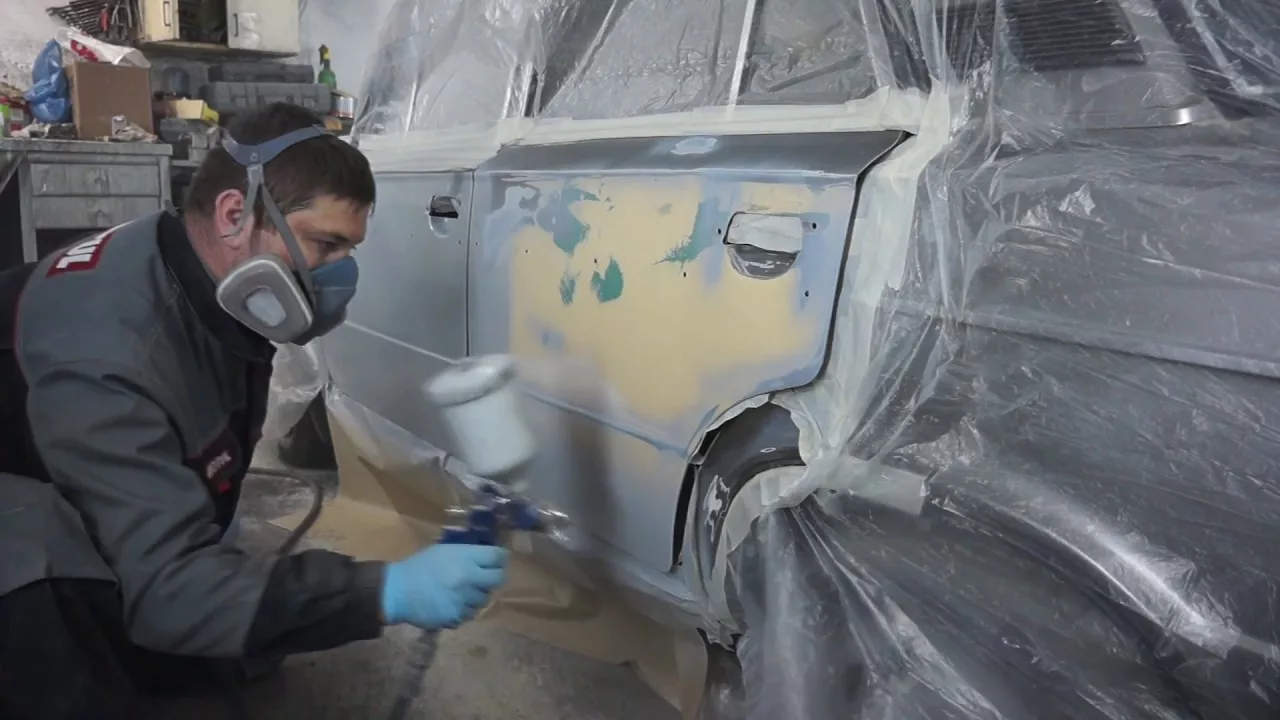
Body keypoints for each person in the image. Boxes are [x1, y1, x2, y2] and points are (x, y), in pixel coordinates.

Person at [0, 103, 509, 719]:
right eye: (325, 244)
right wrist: (383, 591)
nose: (340, 274)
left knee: (230, 634)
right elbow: (168, 590)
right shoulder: (116, 356)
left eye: (349, 250)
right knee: (42, 585)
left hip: (59, 455)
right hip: (18, 500)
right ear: (233, 214)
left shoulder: (194, 277)